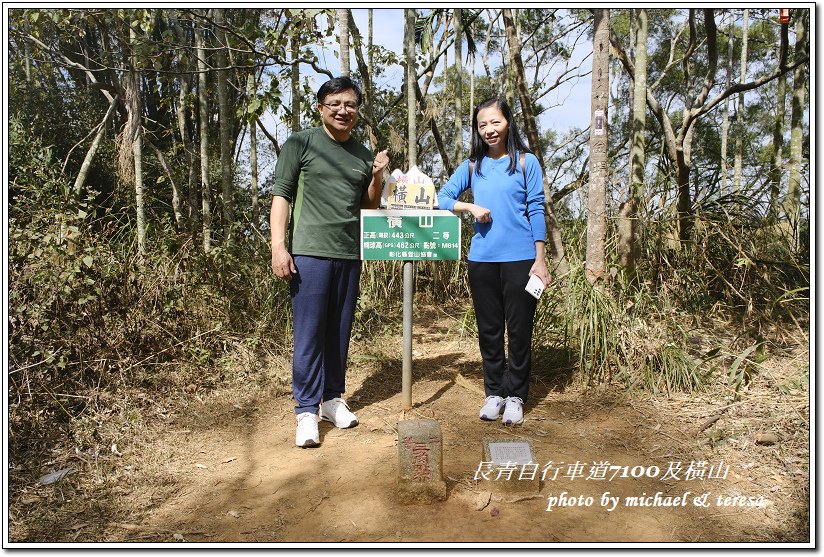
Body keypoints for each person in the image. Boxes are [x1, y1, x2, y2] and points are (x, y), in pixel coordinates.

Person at [270, 76, 389, 448]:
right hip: (309, 252)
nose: (343, 111)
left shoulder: (362, 153)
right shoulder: (301, 142)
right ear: (320, 108)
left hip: (349, 253)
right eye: (335, 104)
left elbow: (368, 206)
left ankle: (332, 399)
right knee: (309, 334)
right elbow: (281, 195)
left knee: (339, 331)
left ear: (357, 110)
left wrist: (376, 176)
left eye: (350, 105)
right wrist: (279, 246)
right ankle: (306, 410)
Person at [436, 98, 550, 426]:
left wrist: (540, 260)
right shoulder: (473, 166)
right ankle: (494, 393)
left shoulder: (527, 163)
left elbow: (537, 209)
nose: (489, 130)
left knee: (518, 330)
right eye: (482, 125)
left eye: (495, 122)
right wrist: (470, 208)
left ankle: (515, 396)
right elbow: (442, 198)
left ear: (508, 123)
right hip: (482, 261)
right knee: (489, 330)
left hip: (522, 261)